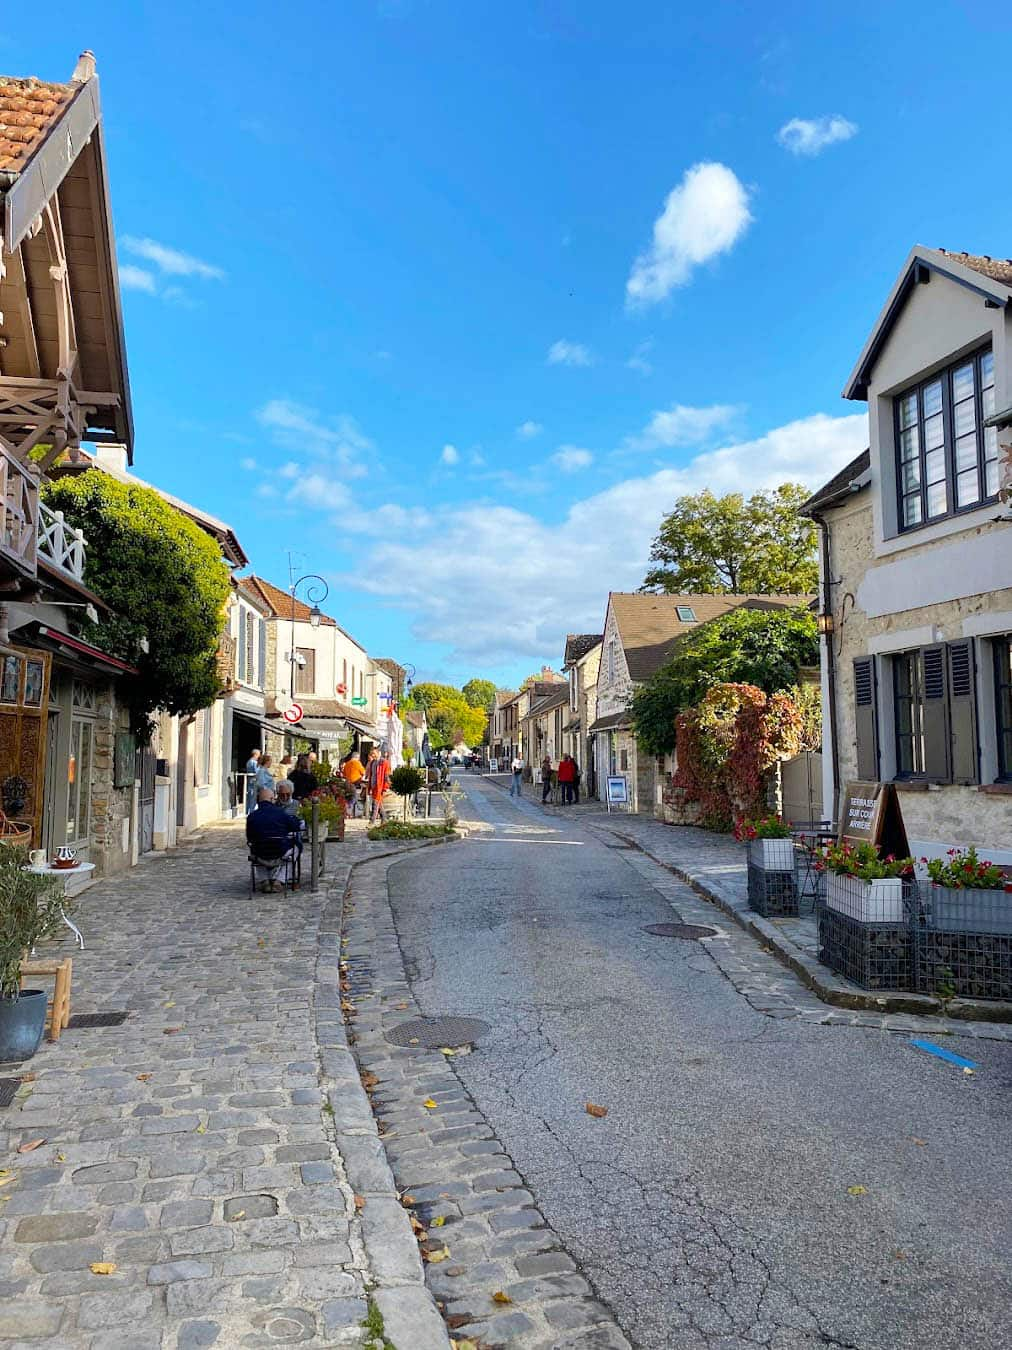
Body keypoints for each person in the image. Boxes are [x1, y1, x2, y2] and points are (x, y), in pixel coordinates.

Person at [246, 787, 301, 892]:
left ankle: (264, 881)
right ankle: (279, 880)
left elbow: (249, 837)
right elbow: (295, 827)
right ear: (272, 799)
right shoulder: (280, 813)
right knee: (296, 848)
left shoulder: (252, 816)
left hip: (260, 853)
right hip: (279, 851)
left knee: (255, 847)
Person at [368, 749, 390, 823]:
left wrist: (386, 786)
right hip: (373, 785)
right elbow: (371, 774)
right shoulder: (372, 763)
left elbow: (387, 775)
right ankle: (384, 819)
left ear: (378, 753)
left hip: (380, 786)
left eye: (374, 753)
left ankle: (372, 821)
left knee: (375, 803)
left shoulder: (384, 762)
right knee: (379, 803)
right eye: (371, 754)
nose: (372, 755)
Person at [342, 751, 365, 817]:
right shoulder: (358, 763)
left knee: (348, 797)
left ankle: (348, 810)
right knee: (355, 797)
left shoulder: (347, 764)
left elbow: (344, 774)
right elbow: (363, 772)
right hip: (355, 784)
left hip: (347, 783)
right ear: (357, 757)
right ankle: (350, 808)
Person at [244, 748, 261, 814]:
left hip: (250, 780)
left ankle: (248, 810)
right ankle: (251, 811)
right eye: (259, 755)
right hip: (253, 780)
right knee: (252, 796)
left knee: (250, 796)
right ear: (255, 754)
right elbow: (257, 771)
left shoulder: (249, 761)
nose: (259, 756)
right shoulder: (253, 762)